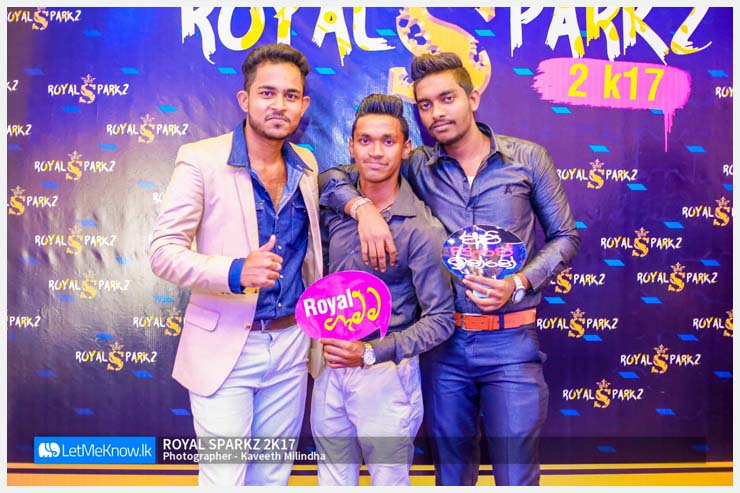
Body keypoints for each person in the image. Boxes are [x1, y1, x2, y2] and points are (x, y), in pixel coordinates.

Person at [319, 52, 580, 486]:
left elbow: (566, 237)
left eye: (447, 98)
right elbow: (333, 179)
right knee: (452, 477)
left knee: (515, 475)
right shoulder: (417, 164)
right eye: (425, 104)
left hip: (511, 344)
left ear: (472, 98)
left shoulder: (528, 159)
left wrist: (518, 283)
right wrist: (361, 208)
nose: (436, 112)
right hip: (445, 348)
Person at [149, 43, 323, 486]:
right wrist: (234, 271)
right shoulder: (200, 159)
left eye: (290, 95)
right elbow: (163, 252)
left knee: (272, 478)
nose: (279, 104)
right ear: (244, 100)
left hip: (291, 345)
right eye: (267, 93)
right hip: (225, 347)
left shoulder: (306, 164)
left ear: (303, 105)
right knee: (224, 479)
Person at [311, 94, 455, 486]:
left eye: (388, 141)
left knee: (389, 482)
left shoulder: (422, 229)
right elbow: (325, 180)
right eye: (365, 140)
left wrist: (372, 352)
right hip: (329, 366)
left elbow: (441, 320)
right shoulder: (335, 203)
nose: (375, 152)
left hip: (386, 373)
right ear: (351, 146)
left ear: (406, 148)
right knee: (331, 481)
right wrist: (362, 209)